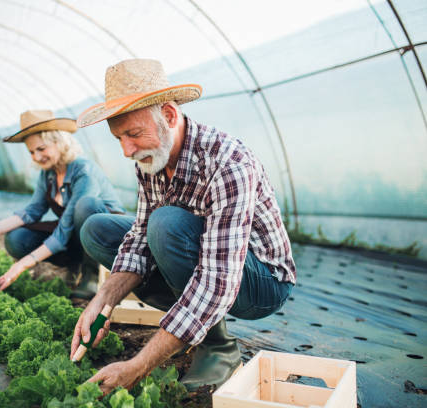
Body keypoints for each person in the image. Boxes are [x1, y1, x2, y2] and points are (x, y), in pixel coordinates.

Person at [71, 59, 296, 393]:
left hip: (259, 280)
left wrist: (137, 366)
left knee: (166, 225)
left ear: (169, 116)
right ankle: (188, 324)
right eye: (119, 138)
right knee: (97, 230)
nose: (126, 150)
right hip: (205, 264)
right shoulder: (151, 157)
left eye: (133, 134)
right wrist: (103, 300)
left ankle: (218, 348)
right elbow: (138, 239)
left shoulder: (229, 163)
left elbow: (219, 279)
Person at [0, 110, 124, 298]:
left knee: (86, 206)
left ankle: (91, 275)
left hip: (109, 239)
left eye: (41, 149)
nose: (36, 157)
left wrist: (24, 263)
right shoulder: (48, 174)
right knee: (17, 239)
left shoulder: (84, 171)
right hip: (75, 234)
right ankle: (74, 266)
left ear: (60, 142)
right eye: (31, 152)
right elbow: (32, 211)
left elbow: (66, 226)